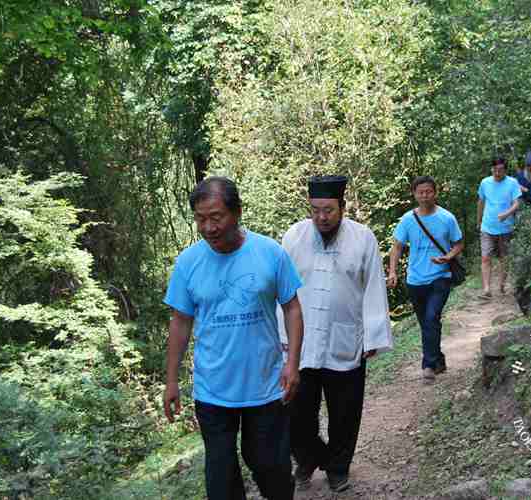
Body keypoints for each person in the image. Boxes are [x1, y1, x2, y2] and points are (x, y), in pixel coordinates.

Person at [163, 177, 305, 500]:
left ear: (237, 212)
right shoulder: (188, 263)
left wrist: (292, 364)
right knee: (221, 479)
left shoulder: (270, 253)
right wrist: (171, 381)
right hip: (213, 390)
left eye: (216, 217)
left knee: (272, 468)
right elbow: (180, 322)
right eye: (200, 218)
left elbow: (292, 309)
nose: (208, 227)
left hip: (266, 385)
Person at [279, 175, 393, 493]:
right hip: (301, 343)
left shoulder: (363, 238)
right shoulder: (293, 237)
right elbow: (280, 289)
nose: (321, 217)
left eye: (328, 210)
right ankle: (308, 457)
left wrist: (372, 336)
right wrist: (281, 335)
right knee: (296, 414)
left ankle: (338, 468)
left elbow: (373, 287)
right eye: (315, 210)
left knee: (345, 412)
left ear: (342, 207)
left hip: (346, 339)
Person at [388, 176, 464, 384]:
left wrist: (448, 257)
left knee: (431, 318)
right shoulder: (407, 220)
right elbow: (397, 247)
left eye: (428, 191)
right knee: (427, 323)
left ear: (435, 192)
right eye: (420, 192)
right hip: (415, 280)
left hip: (441, 277)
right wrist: (392, 272)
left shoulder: (447, 218)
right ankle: (438, 359)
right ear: (414, 194)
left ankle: (428, 366)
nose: (425, 196)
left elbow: (458, 244)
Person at [476, 159, 521, 300]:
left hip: (506, 227)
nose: (497, 172)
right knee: (485, 257)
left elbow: (517, 203)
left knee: (504, 258)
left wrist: (507, 213)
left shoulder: (512, 183)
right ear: (491, 169)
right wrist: (479, 220)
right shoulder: (485, 183)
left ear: (505, 170)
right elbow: (481, 202)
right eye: (495, 169)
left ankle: (502, 284)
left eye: (500, 169)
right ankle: (486, 289)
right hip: (487, 227)